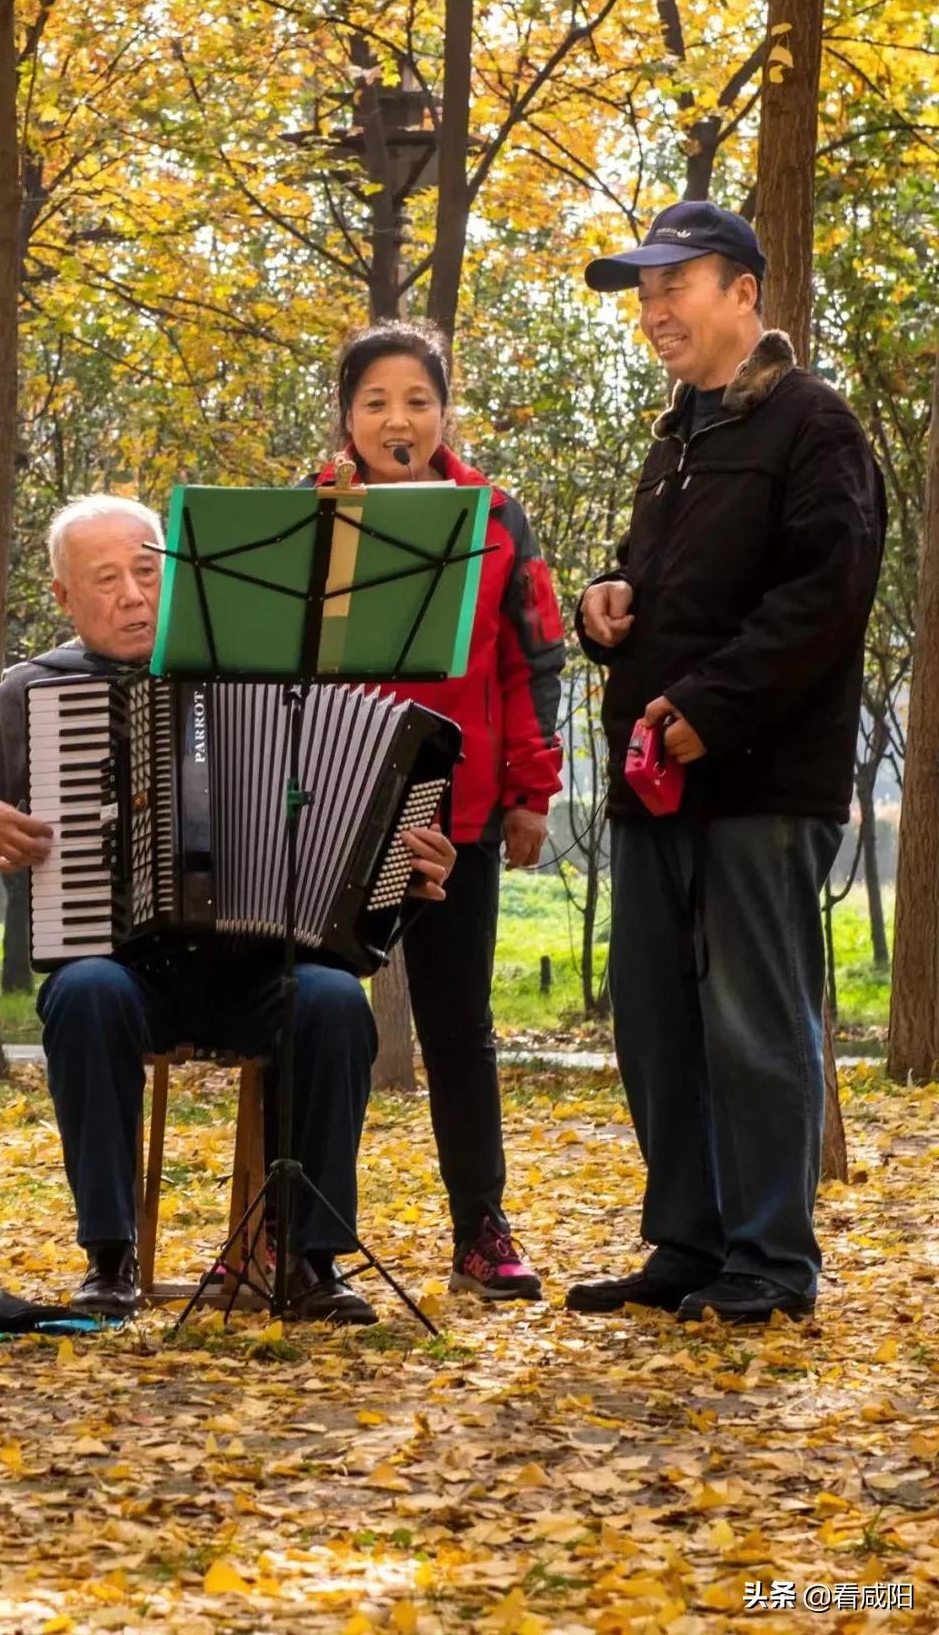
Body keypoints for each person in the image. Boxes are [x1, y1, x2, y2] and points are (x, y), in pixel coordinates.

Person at [0, 494, 456, 1323]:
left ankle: (310, 1259)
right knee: (83, 991)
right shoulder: (35, 692)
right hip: (125, 973)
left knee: (334, 1001)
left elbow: (348, 826)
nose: (134, 595)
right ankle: (109, 1257)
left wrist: (404, 866)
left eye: (147, 570)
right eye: (107, 579)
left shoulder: (261, 678)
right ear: (64, 597)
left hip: (260, 971)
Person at [567, 201, 886, 1325]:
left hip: (759, 780)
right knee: (656, 1025)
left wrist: (709, 708)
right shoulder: (678, 439)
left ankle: (771, 1261)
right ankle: (688, 1246)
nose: (655, 310)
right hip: (656, 783)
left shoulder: (815, 424)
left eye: (676, 286)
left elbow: (824, 598)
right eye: (645, 293)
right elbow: (665, 584)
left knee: (755, 1020)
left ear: (744, 292)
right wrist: (606, 599)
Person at [311, 320, 565, 1302]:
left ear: (444, 413)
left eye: (418, 400)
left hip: (457, 809)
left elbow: (533, 660)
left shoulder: (497, 515)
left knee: (460, 1027)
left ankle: (481, 1234)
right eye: (376, 401)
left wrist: (533, 791)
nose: (399, 419)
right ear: (347, 417)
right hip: (332, 805)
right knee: (316, 1018)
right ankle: (306, 1239)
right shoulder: (311, 514)